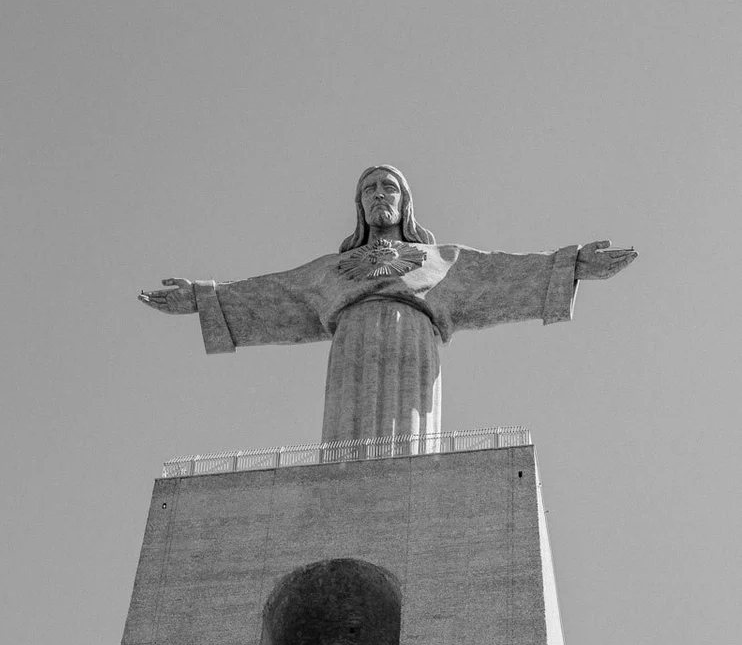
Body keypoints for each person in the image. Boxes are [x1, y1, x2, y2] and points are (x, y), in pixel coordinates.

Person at [140, 166, 636, 442]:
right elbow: (268, 294)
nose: (380, 195)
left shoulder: (440, 260)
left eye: (389, 187)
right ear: (359, 205)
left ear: (404, 202)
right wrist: (203, 298)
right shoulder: (328, 272)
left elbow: (505, 272)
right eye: (370, 189)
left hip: (414, 346)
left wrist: (572, 266)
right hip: (351, 349)